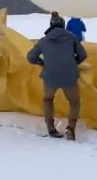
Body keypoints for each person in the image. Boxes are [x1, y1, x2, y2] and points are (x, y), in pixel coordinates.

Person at [27, 11, 87, 140]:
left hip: (50, 76)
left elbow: (30, 57)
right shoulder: (72, 38)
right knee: (74, 102)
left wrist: (43, 63)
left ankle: (51, 128)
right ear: (63, 25)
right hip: (69, 76)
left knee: (48, 100)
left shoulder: (44, 40)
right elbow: (83, 55)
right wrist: (73, 63)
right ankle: (71, 129)